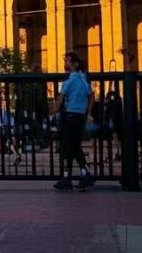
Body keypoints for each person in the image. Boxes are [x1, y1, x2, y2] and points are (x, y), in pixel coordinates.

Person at [53, 51, 94, 191]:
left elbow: (59, 103)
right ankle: (80, 175)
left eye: (67, 61)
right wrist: (88, 112)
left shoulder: (68, 82)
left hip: (69, 116)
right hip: (80, 116)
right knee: (74, 146)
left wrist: (52, 111)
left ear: (74, 64)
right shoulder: (84, 80)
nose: (65, 63)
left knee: (67, 147)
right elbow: (91, 96)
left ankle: (73, 176)